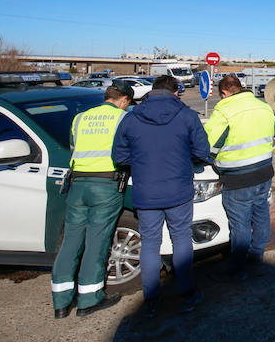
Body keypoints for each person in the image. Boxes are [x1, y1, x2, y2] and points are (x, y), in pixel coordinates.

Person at [112, 75, 210, 316]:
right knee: (181, 240)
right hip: (179, 191)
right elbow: (202, 150)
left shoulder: (132, 117)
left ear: (152, 90)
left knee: (150, 243)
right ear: (175, 91)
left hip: (146, 192)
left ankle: (151, 300)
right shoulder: (186, 115)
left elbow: (120, 157)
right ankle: (187, 293)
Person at [50, 80, 133, 319]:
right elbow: (126, 151)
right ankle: (89, 298)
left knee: (71, 241)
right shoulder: (122, 118)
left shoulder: (80, 119)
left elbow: (73, 147)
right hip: (106, 185)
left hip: (77, 185)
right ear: (124, 100)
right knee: (97, 241)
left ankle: (61, 302)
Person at [204, 74, 275, 280]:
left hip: (238, 177)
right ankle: (257, 256)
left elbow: (208, 145)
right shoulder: (263, 107)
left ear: (224, 92)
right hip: (264, 172)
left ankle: (238, 268)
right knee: (261, 214)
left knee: (240, 224)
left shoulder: (224, 110)